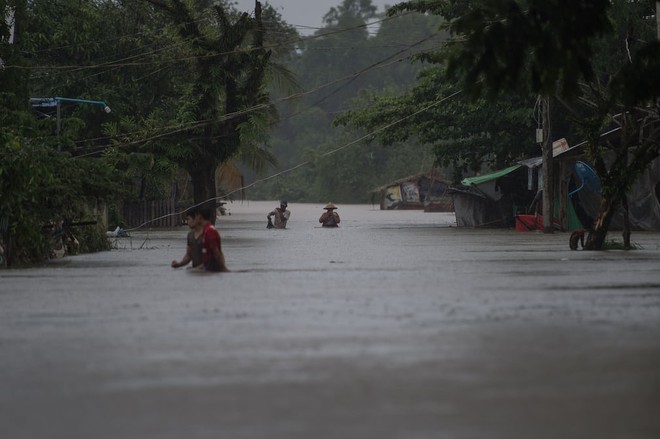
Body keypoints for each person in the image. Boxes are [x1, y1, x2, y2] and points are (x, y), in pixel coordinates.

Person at [198, 206, 229, 272]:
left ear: (200, 216)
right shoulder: (205, 230)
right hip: (208, 267)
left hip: (213, 268)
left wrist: (223, 269)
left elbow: (216, 253)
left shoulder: (210, 231)